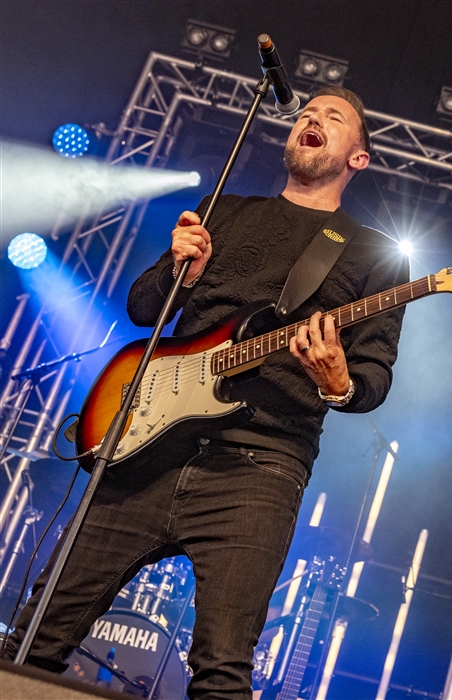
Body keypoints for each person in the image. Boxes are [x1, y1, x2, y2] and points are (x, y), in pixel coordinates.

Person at [3, 86, 409, 698]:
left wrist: (337, 381)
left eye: (333, 117)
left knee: (222, 670)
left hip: (259, 466)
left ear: (359, 157)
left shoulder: (372, 253)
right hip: (147, 444)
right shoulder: (227, 210)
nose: (312, 119)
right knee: (35, 636)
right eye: (306, 113)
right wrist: (178, 269)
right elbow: (144, 307)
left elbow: (372, 379)